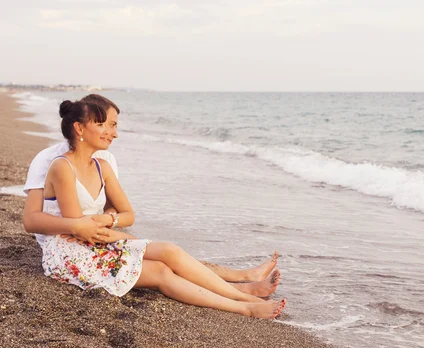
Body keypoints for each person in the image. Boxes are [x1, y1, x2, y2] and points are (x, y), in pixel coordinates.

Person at [38, 97, 286, 319]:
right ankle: (245, 306)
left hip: (98, 237)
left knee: (169, 250)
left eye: (111, 126)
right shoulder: (62, 167)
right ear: (79, 128)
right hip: (71, 251)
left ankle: (242, 293)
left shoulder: (103, 166)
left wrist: (109, 221)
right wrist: (118, 233)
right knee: (160, 271)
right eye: (102, 125)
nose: (112, 133)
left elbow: (128, 214)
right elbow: (79, 227)